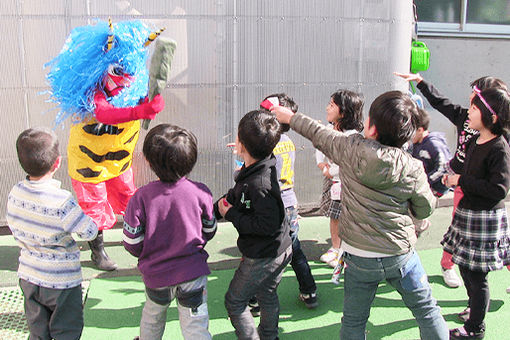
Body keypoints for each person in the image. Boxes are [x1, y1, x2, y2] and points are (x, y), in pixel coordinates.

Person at [271, 91, 449, 340]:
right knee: (427, 310)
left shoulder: (350, 148)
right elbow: (425, 209)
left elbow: (318, 133)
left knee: (354, 321)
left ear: (372, 128)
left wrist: (290, 117)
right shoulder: (412, 167)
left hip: (359, 256)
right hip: (400, 255)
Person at [45, 20, 166, 271]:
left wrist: (154, 103)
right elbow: (103, 114)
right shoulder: (93, 90)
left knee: (128, 196)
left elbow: (146, 102)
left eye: (130, 73)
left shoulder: (133, 86)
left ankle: (138, 238)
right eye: (119, 72)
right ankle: (97, 251)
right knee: (94, 205)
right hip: (89, 163)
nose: (126, 79)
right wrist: (139, 111)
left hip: (118, 161)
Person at [395, 72, 508, 288]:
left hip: (481, 189)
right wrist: (420, 82)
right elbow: (440, 102)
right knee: (458, 227)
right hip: (460, 182)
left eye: (476, 97)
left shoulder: (498, 135)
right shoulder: (465, 117)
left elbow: (500, 177)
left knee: (496, 236)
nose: (471, 100)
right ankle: (448, 266)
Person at [122, 124, 217, 340]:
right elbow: (209, 229)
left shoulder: (141, 197)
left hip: (156, 275)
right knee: (196, 323)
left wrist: (147, 253)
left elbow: (131, 241)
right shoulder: (201, 192)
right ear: (191, 161)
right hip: (192, 273)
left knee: (152, 317)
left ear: (147, 160)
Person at [6, 127, 98, 339]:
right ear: (57, 163)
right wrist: (90, 215)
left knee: (38, 331)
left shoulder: (15, 192)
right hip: (62, 282)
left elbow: (14, 222)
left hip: (29, 275)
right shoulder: (62, 201)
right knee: (67, 331)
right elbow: (89, 232)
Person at [215, 110, 292, 340]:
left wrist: (231, 215)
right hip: (277, 248)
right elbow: (237, 194)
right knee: (267, 293)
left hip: (264, 254)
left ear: (241, 145)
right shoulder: (260, 167)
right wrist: (213, 211)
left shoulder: (259, 185)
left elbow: (266, 225)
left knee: (235, 301)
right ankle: (269, 335)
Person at [441, 87, 510, 340]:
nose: (468, 111)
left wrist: (461, 180)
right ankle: (473, 312)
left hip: (484, 218)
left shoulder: (499, 148)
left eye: (474, 108)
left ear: (491, 116)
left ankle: (475, 328)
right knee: (466, 268)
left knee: (476, 276)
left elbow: (498, 190)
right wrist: (450, 177)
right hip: (468, 213)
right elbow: (462, 167)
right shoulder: (474, 140)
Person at [260, 93, 318, 309]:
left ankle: (257, 300)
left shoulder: (266, 144)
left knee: (264, 253)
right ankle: (309, 290)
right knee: (294, 249)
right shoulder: (288, 141)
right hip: (289, 203)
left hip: (270, 204)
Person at [316, 90, 364, 269]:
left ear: (343, 113)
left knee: (347, 218)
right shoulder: (328, 130)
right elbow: (319, 149)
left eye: (332, 105)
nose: (327, 107)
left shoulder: (352, 136)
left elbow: (348, 162)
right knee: (334, 216)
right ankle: (336, 248)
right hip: (332, 182)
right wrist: (322, 166)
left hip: (348, 184)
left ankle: (346, 251)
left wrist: (332, 171)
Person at [411, 108, 452, 236]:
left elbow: (443, 167)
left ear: (420, 130)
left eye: (412, 131)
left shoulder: (433, 143)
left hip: (437, 185)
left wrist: (426, 181)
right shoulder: (416, 144)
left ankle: (420, 225)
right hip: (424, 181)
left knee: (415, 200)